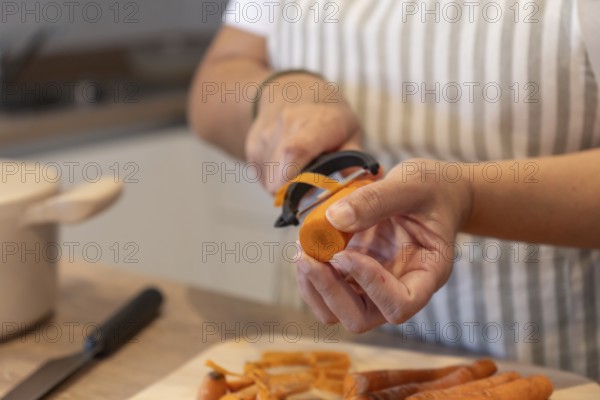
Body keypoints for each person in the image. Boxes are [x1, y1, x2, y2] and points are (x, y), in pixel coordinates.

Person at [188, 0, 600, 381]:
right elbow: (218, 77)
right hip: (324, 349)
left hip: (533, 355)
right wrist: (281, 93)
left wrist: (468, 196)